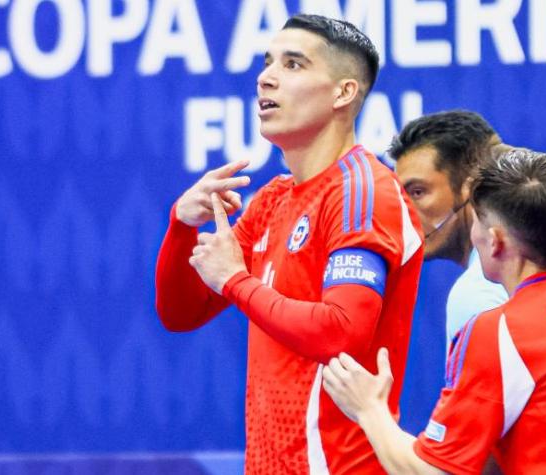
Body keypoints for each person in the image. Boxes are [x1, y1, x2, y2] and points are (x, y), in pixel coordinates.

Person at [154, 14, 424, 474]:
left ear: (344, 93)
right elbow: (184, 312)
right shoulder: (275, 200)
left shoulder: (362, 193)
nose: (267, 77)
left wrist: (237, 282)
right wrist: (180, 225)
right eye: (267, 62)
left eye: (294, 64)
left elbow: (341, 330)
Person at [322, 147, 546, 474]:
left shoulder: (499, 332)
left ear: (495, 241)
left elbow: (431, 472)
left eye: (476, 218)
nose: (473, 231)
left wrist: (369, 408)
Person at [389, 110, 546, 353]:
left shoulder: (476, 293)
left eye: (418, 192)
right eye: (400, 196)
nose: (403, 211)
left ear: (472, 189)